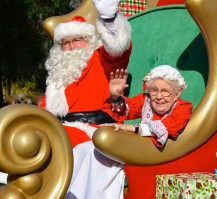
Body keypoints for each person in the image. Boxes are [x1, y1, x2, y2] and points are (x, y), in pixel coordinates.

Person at [65, 65, 192, 198]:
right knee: (85, 149)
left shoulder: (183, 107)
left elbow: (170, 126)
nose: (159, 96)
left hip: (157, 155)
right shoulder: (147, 100)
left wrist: (132, 128)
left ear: (177, 94)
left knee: (100, 158)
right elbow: (128, 109)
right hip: (137, 146)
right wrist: (115, 97)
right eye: (154, 90)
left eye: (165, 91)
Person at [39, 0, 132, 148]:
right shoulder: (58, 74)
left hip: (95, 131)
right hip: (62, 129)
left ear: (89, 40)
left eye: (77, 40)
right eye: (66, 43)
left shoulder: (100, 58)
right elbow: (43, 111)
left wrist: (110, 19)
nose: (71, 46)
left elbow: (119, 50)